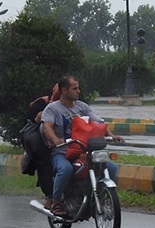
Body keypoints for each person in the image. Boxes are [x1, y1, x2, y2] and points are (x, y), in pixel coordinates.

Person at [41, 75, 123, 215]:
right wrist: (56, 140)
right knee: (65, 169)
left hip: (83, 152)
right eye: (75, 88)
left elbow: (98, 123)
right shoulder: (52, 109)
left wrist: (111, 135)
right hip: (62, 152)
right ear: (64, 90)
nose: (78, 91)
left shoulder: (82, 106)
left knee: (111, 168)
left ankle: (100, 196)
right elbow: (47, 127)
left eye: (78, 88)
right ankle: (55, 202)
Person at [21, 84, 60, 209]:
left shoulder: (76, 106)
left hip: (66, 141)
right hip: (43, 142)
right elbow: (34, 120)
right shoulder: (43, 104)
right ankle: (50, 196)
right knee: (44, 162)